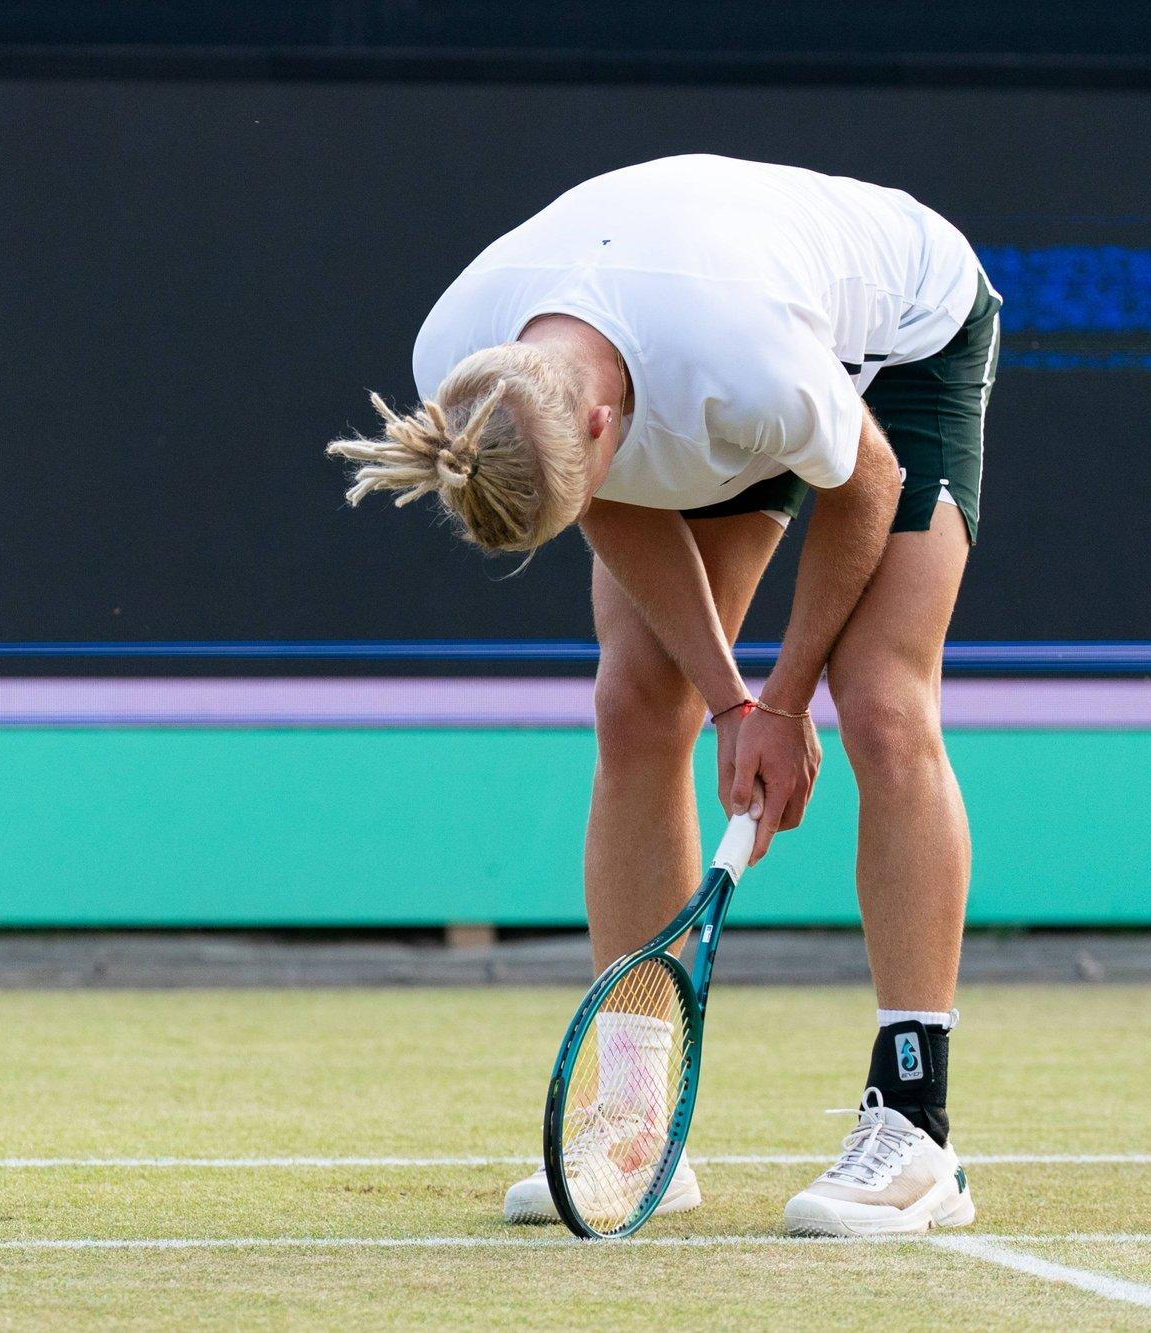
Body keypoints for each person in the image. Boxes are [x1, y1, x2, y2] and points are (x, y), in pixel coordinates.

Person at [327, 155, 997, 1237]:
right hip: (706, 350)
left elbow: (860, 481)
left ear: (599, 429)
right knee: (639, 700)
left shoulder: (740, 361)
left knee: (877, 700)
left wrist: (782, 699)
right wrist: (730, 703)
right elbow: (605, 504)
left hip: (896, 338)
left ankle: (917, 1130)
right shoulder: (464, 363)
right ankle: (636, 1122)